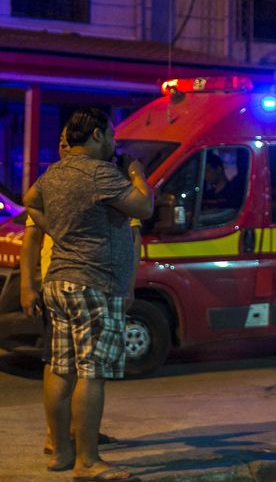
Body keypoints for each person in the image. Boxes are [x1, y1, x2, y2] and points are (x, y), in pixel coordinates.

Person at [24, 108, 153, 481]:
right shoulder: (101, 174)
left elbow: (31, 200)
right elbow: (143, 206)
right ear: (96, 135)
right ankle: (88, 462)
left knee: (61, 369)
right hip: (94, 283)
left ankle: (61, 453)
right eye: (111, 136)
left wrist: (59, 233)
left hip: (58, 282)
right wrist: (136, 174)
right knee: (91, 372)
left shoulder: (54, 173)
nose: (114, 144)